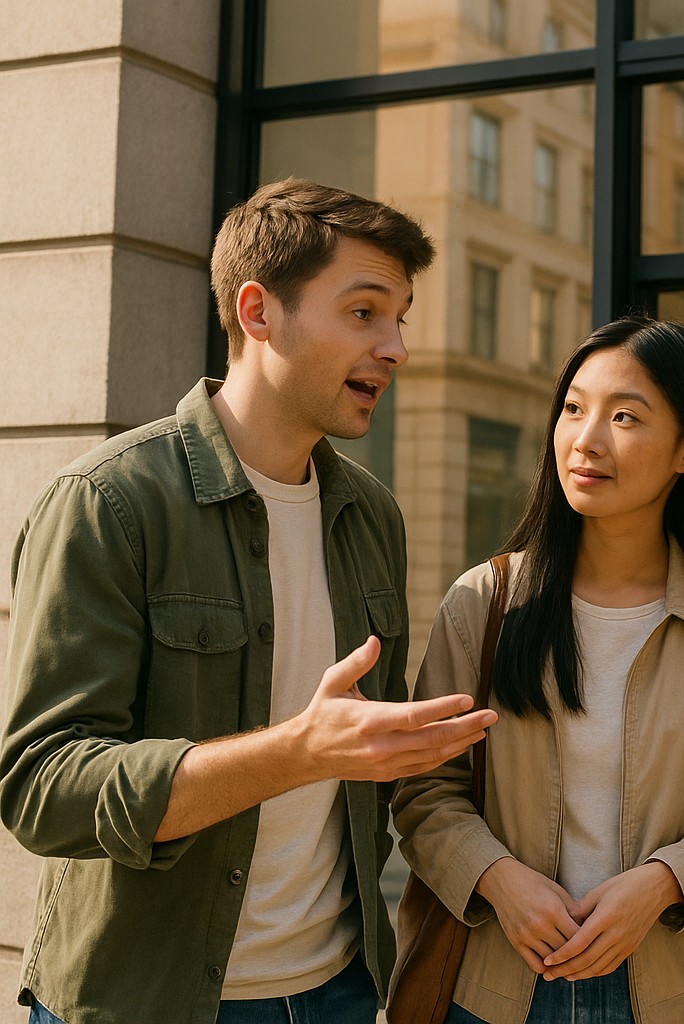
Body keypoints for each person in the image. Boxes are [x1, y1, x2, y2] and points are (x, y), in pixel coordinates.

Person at [0, 178, 499, 1024]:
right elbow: (42, 788)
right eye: (365, 312)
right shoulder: (111, 502)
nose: (398, 348)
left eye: (401, 318)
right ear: (259, 310)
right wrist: (298, 751)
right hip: (146, 1000)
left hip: (337, 990)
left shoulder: (372, 515)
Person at [392, 317, 684, 1024]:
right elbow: (426, 790)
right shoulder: (483, 602)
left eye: (624, 417)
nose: (586, 440)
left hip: (674, 992)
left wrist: (662, 884)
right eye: (574, 409)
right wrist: (499, 880)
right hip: (499, 983)